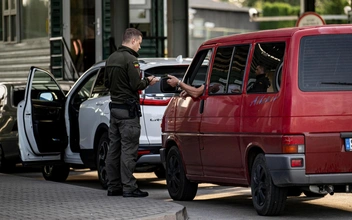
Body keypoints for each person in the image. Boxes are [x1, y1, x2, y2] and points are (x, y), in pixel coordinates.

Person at [104, 28, 158, 197]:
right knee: (128, 150)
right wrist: (148, 81)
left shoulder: (111, 58)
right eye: (139, 43)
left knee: (114, 148)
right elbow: (137, 85)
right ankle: (129, 187)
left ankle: (113, 186)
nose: (140, 47)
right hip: (128, 112)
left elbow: (106, 83)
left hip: (115, 110)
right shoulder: (131, 60)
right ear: (133, 41)